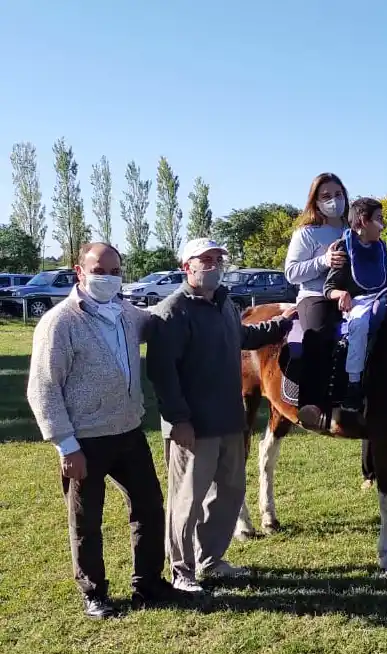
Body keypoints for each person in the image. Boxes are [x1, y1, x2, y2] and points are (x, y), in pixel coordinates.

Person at [26, 242, 181, 619]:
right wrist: (66, 445)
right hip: (84, 440)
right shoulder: (60, 322)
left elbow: (161, 321)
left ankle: (149, 583)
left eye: (115, 272)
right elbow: (42, 387)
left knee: (148, 509)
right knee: (86, 520)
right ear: (79, 272)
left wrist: (191, 292)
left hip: (128, 431)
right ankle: (94, 593)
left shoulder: (126, 314)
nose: (108, 278)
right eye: (99, 270)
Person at [147, 238, 296, 594]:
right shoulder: (172, 312)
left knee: (227, 495)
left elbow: (243, 336)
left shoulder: (225, 304)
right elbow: (162, 373)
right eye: (205, 260)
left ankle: (211, 559)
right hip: (193, 427)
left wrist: (280, 324)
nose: (213, 265)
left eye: (218, 259)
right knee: (187, 500)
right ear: (188, 267)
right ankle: (182, 571)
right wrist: (179, 420)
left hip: (230, 420)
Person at [284, 173, 350, 430]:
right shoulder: (306, 234)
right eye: (326, 196)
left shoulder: (352, 230)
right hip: (315, 296)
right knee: (319, 334)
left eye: (338, 194)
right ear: (315, 201)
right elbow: (291, 273)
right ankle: (310, 405)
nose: (334, 200)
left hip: (351, 298)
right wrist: (324, 261)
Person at [322, 197, 387, 414]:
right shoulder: (345, 247)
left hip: (382, 297)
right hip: (358, 303)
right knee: (359, 323)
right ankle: (353, 385)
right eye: (378, 219)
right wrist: (341, 293)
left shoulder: (381, 247)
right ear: (363, 221)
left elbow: (386, 280)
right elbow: (328, 287)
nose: (383, 224)